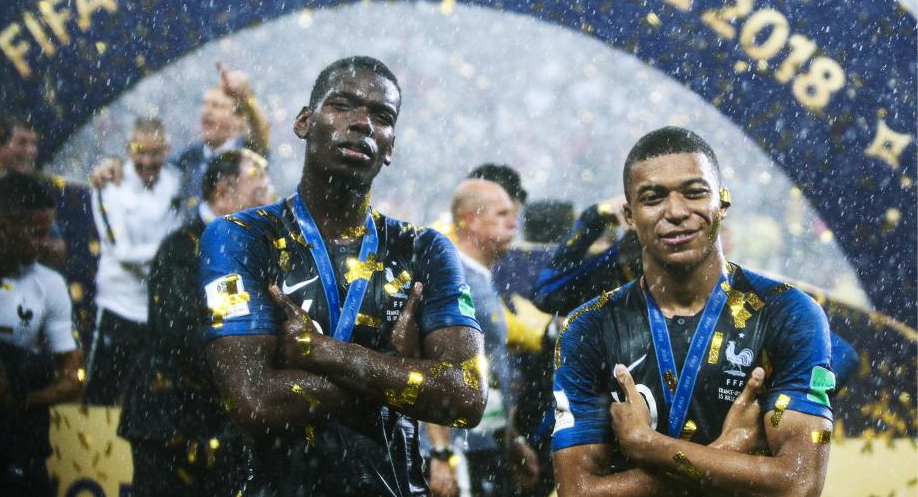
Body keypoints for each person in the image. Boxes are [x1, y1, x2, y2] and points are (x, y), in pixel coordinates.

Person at [199, 55, 487, 497]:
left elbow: (466, 397)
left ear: (390, 147)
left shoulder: (425, 249)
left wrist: (321, 352)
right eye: (343, 106)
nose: (362, 124)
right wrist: (401, 370)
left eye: (382, 116)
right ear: (303, 122)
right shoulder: (241, 237)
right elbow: (253, 401)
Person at [552, 127, 835, 496]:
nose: (676, 212)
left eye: (694, 192)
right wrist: (725, 452)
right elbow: (576, 491)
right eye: (653, 198)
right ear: (630, 215)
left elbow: (800, 483)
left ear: (722, 203)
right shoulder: (588, 326)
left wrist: (650, 446)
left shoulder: (788, 312)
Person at [119, 149, 272, 497]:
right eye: (259, 192)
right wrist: (247, 373)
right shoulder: (179, 250)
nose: (268, 203)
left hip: (224, 427)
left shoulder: (255, 255)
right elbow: (180, 332)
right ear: (223, 193)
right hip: (168, 419)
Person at [0, 173, 83, 496]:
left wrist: (19, 401)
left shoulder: (50, 285)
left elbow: (73, 378)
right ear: (4, 229)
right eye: (37, 233)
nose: (47, 243)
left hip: (16, 441)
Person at [425, 178, 539, 497]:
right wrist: (441, 453)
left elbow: (490, 367)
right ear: (469, 219)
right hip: (459, 450)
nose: (514, 221)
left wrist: (511, 438)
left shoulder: (478, 276)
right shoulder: (452, 277)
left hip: (483, 442)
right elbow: (434, 366)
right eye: (502, 214)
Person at [85, 117, 180, 404]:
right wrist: (169, 250)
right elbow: (122, 252)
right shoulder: (109, 187)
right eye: (140, 152)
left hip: (157, 305)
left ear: (167, 149)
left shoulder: (175, 182)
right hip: (119, 305)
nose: (147, 161)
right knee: (102, 394)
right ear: (128, 149)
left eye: (155, 153)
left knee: (149, 397)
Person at [91, 62, 270, 213]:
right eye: (205, 104)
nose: (207, 111)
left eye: (217, 106)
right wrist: (114, 165)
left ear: (239, 120)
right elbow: (149, 165)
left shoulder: (247, 155)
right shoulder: (189, 158)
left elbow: (261, 134)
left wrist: (246, 99)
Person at [0, 116, 67, 265]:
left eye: (34, 143)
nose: (31, 151)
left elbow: (59, 250)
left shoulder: (33, 191)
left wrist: (33, 243)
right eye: (22, 143)